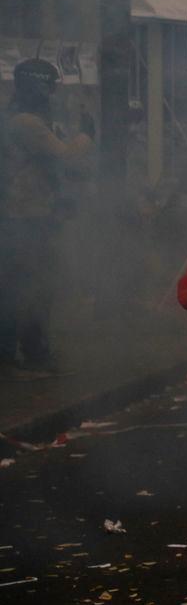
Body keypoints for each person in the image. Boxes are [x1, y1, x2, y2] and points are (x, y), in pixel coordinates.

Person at [0, 59, 94, 376]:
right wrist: (85, 135)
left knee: (33, 286)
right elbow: (67, 156)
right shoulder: (25, 122)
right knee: (25, 288)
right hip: (22, 218)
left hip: (31, 216)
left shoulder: (27, 119)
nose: (52, 95)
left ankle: (30, 350)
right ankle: (18, 355)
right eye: (49, 87)